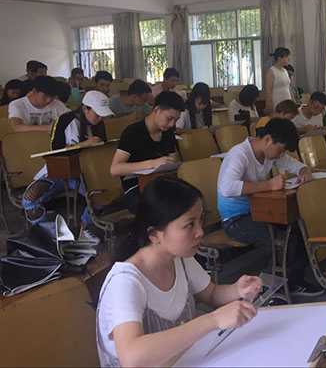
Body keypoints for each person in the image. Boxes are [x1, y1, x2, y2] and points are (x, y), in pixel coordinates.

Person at [96, 176, 262, 367]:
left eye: (200, 220)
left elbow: (211, 294)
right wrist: (213, 320)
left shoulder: (179, 258)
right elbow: (132, 358)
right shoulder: (125, 282)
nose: (200, 231)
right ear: (154, 235)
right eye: (190, 224)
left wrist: (237, 289)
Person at [217, 118, 322, 296]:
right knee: (283, 243)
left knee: (301, 230)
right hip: (235, 219)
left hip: (259, 211)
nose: (281, 155)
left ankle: (294, 281)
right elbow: (227, 188)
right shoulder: (240, 154)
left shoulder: (269, 153)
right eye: (281, 150)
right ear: (267, 139)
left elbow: (299, 166)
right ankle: (266, 292)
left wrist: (305, 173)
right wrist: (268, 185)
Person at [22, 90, 113, 242]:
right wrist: (83, 144)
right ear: (85, 108)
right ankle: (50, 234)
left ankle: (84, 229)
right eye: (97, 114)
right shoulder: (65, 120)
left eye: (102, 115)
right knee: (30, 197)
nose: (100, 118)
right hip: (57, 171)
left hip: (87, 173)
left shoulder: (99, 124)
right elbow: (55, 151)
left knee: (102, 195)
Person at [110, 91, 184, 213]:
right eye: (169, 118)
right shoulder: (133, 132)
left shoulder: (168, 133)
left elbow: (172, 162)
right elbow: (115, 169)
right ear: (156, 110)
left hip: (161, 184)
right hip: (136, 188)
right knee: (165, 207)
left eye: (176, 120)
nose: (172, 124)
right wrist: (152, 164)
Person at [264, 47, 295, 114]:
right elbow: (267, 90)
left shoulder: (285, 71)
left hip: (287, 101)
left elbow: (289, 87)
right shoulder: (271, 71)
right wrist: (268, 105)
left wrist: (293, 101)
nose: (288, 59)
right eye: (286, 57)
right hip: (277, 101)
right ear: (279, 58)